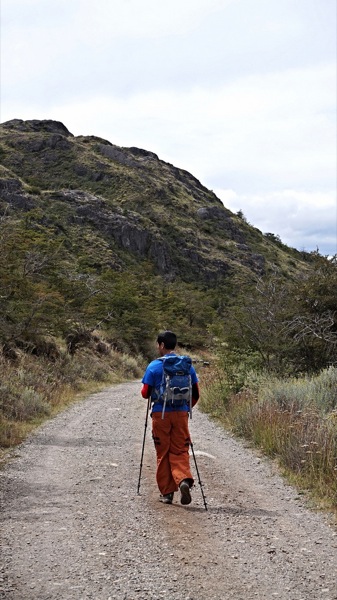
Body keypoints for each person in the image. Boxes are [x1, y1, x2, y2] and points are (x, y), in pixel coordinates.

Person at [141, 330, 200, 505]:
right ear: (174, 345)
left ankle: (167, 493)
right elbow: (196, 393)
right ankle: (182, 480)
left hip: (161, 414)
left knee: (163, 451)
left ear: (161, 345)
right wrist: (184, 409)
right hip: (181, 414)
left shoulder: (153, 366)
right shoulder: (187, 366)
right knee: (180, 449)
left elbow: (145, 394)